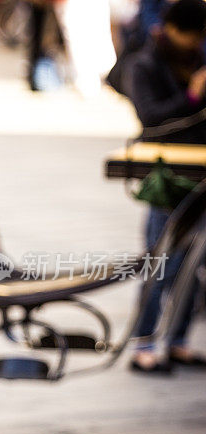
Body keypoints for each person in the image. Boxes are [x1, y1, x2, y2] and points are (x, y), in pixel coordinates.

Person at [123, 0, 206, 372]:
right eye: (188, 35)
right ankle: (143, 343)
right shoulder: (144, 63)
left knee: (194, 262)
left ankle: (176, 340)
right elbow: (150, 117)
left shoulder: (197, 58)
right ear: (170, 28)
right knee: (161, 259)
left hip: (199, 171)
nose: (192, 43)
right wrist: (191, 96)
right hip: (166, 176)